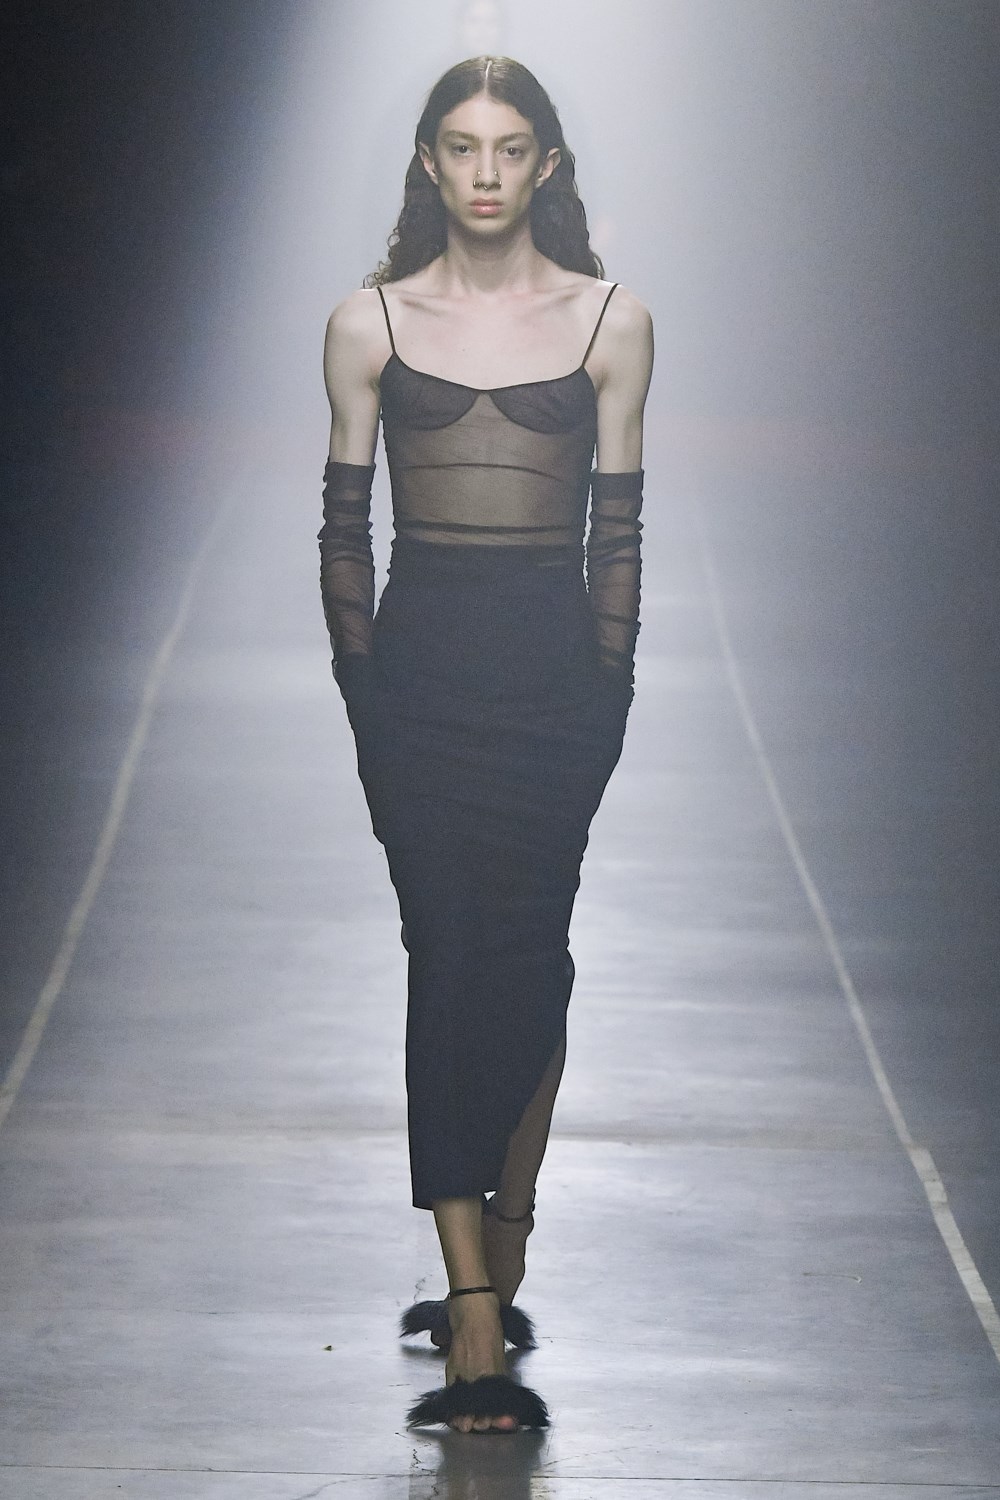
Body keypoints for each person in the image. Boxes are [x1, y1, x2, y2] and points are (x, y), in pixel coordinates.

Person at [319, 55, 653, 1434]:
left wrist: (606, 703)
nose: (486, 172)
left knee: (533, 967)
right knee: (448, 959)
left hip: (552, 695)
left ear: (546, 166)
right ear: (428, 161)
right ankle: (471, 1311)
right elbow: (345, 532)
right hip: (423, 693)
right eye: (462, 146)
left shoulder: (612, 322)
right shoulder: (370, 322)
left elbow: (619, 536)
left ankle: (505, 1232)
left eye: (511, 148)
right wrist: (367, 703)